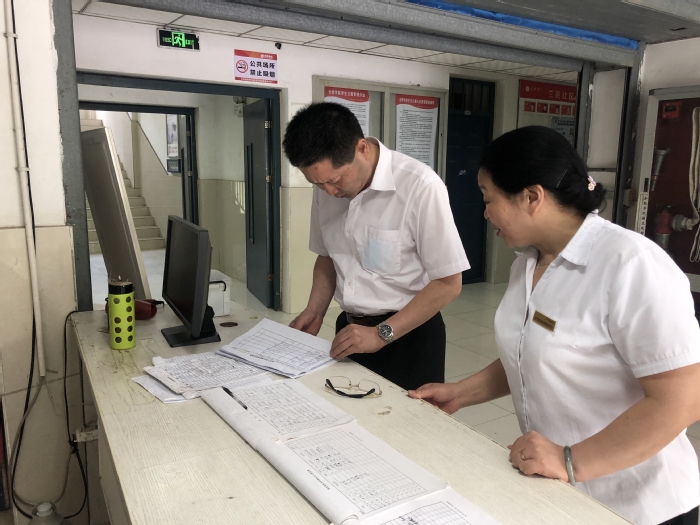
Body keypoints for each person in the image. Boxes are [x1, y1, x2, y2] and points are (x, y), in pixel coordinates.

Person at [409, 126, 700, 525]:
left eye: (488, 199)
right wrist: (461, 393)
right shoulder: (527, 263)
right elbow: (530, 352)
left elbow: (682, 400)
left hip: (639, 504)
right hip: (563, 493)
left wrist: (569, 460)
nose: (485, 213)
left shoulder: (630, 264)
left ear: (532, 197)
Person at [282, 102, 469, 391]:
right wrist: (315, 309)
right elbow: (328, 257)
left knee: (407, 419)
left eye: (334, 180)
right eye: (317, 184)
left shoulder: (420, 187)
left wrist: (382, 334)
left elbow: (448, 283)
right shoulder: (327, 191)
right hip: (351, 333)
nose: (329, 191)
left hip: (409, 337)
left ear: (362, 149)